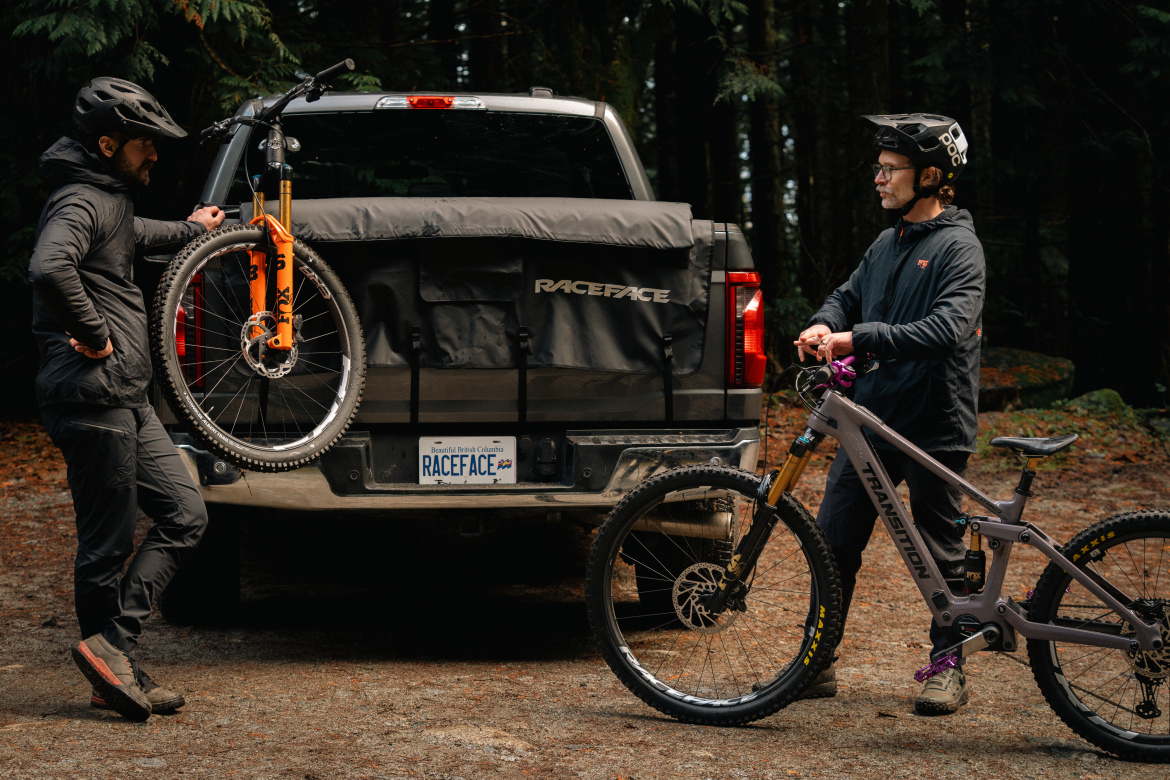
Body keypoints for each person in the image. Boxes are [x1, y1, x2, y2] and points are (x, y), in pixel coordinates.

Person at [28, 77, 225, 721]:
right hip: (92, 399)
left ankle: (113, 645)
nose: (155, 155)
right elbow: (49, 266)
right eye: (145, 144)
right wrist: (92, 331)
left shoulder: (108, 202)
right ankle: (113, 668)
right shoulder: (80, 200)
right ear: (108, 143)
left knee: (186, 513)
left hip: (124, 398)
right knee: (106, 547)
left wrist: (194, 227)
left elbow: (138, 235)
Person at [793, 113, 985, 715]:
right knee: (833, 541)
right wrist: (827, 320)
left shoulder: (960, 248)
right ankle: (816, 660)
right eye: (878, 166)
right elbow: (848, 294)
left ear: (930, 175)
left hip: (934, 420)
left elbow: (948, 329)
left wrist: (859, 339)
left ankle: (948, 668)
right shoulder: (888, 241)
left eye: (890, 168)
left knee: (940, 553)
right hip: (870, 418)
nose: (878, 177)